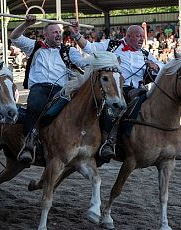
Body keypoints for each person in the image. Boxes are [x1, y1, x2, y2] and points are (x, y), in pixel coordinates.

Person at [69, 23, 163, 161]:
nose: (141, 39)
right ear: (128, 36)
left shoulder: (145, 54)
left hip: (139, 90)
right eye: (138, 36)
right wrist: (77, 35)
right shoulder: (112, 45)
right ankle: (109, 141)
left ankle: (161, 141)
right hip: (116, 88)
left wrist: (155, 66)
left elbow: (163, 67)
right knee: (115, 109)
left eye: (142, 36)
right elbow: (90, 48)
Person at [10, 15, 87, 164]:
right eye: (54, 32)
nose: (58, 35)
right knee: (35, 104)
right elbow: (14, 37)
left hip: (61, 90)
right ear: (45, 35)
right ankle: (28, 143)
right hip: (39, 87)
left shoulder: (68, 51)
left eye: (59, 32)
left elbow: (84, 63)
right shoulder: (35, 46)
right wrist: (26, 24)